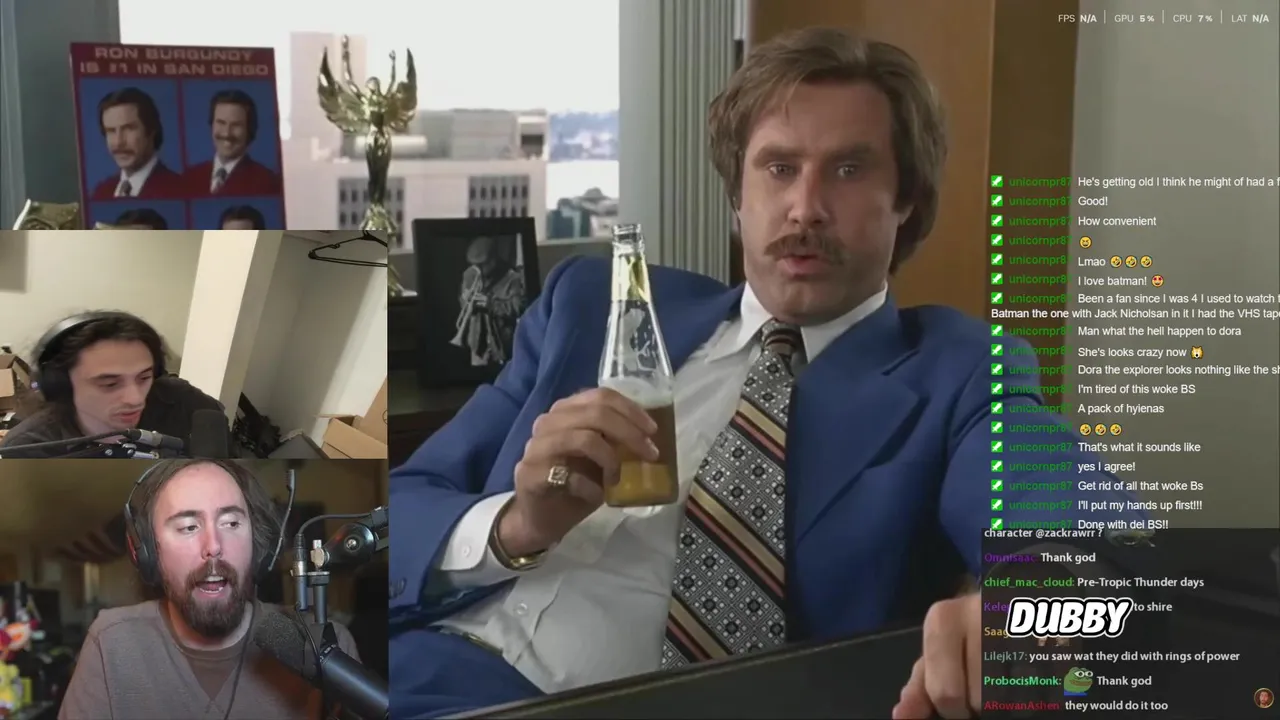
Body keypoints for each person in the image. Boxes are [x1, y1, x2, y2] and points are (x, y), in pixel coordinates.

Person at [388, 28, 1149, 719]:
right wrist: (517, 528)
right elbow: (406, 501)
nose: (805, 208)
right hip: (424, 674)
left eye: (848, 169)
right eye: (779, 168)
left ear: (907, 203)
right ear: (738, 196)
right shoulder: (590, 305)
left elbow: (1090, 535)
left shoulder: (959, 373)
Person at [57, 460, 360, 719]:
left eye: (231, 523)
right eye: (189, 527)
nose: (213, 546)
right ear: (147, 552)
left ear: (258, 544)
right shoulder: (111, 641)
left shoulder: (327, 646)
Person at [0, 311, 226, 458]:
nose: (136, 399)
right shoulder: (30, 446)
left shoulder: (183, 401)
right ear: (61, 385)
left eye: (144, 378)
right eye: (109, 384)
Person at [89, 87, 184, 201]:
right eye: (111, 131)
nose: (118, 142)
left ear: (151, 131)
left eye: (129, 129)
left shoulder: (178, 190)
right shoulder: (101, 192)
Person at [183, 90, 282, 197]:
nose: (227, 133)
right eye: (221, 123)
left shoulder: (268, 183)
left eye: (236, 125)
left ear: (249, 130)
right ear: (212, 125)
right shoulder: (189, 177)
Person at [450, 236, 525, 366]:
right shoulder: (469, 275)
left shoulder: (512, 278)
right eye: (474, 264)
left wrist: (490, 304)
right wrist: (465, 300)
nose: (477, 269)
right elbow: (463, 304)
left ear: (493, 260)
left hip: (502, 345)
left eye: (482, 265)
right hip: (477, 345)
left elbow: (519, 307)